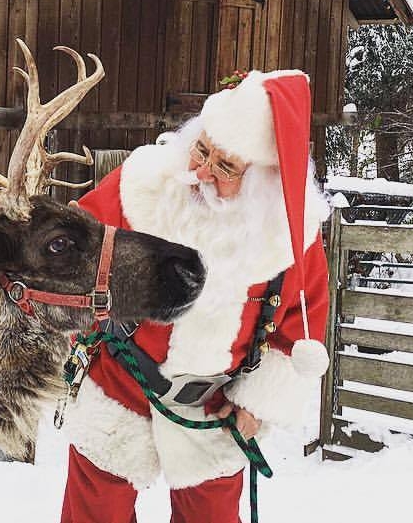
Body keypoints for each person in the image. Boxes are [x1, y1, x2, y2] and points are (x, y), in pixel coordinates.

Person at [60, 69, 331, 523]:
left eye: (226, 168)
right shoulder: (142, 183)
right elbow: (69, 257)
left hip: (213, 405)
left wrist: (255, 403)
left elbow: (300, 333)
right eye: (201, 151)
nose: (202, 173)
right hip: (120, 383)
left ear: (265, 183)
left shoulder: (290, 237)